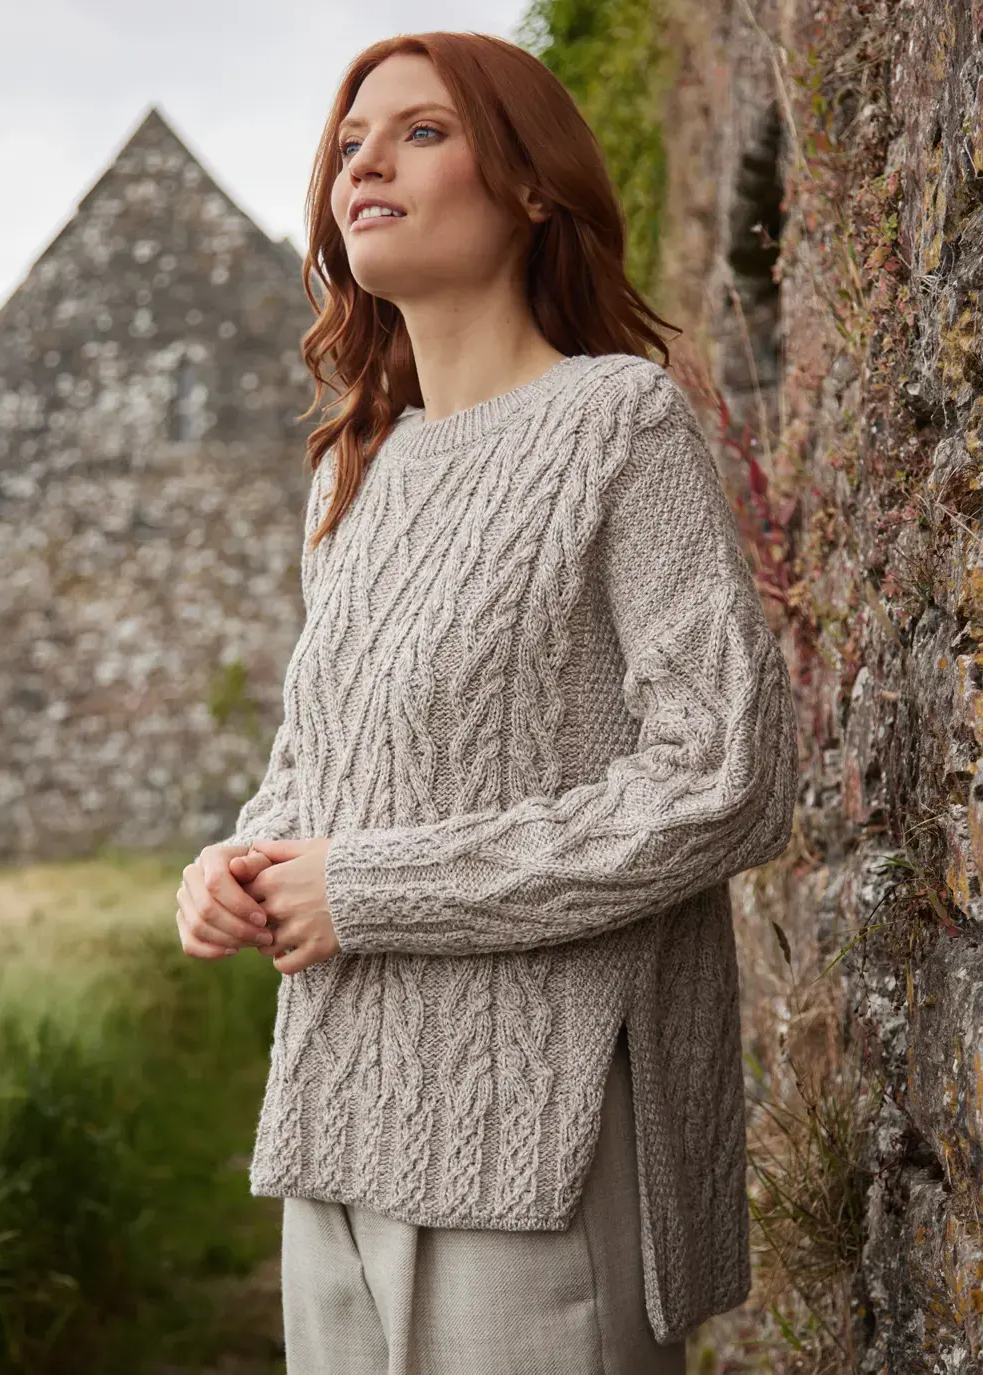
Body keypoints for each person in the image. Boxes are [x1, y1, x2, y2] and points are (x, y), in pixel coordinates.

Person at [174, 29, 799, 1375]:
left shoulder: (617, 421)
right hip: (335, 1122)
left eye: (421, 132)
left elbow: (725, 777)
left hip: (537, 1139)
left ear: (529, 185)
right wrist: (237, 862)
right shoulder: (356, 474)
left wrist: (370, 890)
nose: (365, 164)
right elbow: (324, 761)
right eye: (349, 144)